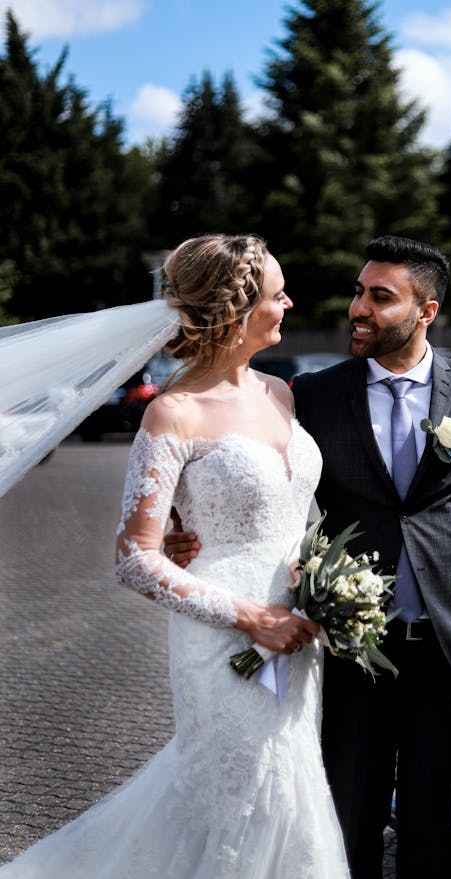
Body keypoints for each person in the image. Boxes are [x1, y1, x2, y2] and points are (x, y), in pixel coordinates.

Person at [168, 235, 451, 879]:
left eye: (380, 297)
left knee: (435, 841)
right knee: (344, 831)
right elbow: (249, 475)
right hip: (346, 659)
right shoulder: (312, 394)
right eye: (358, 291)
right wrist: (183, 526)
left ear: (426, 311)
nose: (357, 308)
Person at [0, 234, 350, 879]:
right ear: (236, 310)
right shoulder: (173, 414)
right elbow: (135, 558)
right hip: (226, 636)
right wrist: (251, 616)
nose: (290, 302)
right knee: (241, 794)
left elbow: (294, 512)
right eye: (277, 294)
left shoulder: (282, 394)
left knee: (288, 780)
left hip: (299, 631)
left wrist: (325, 580)